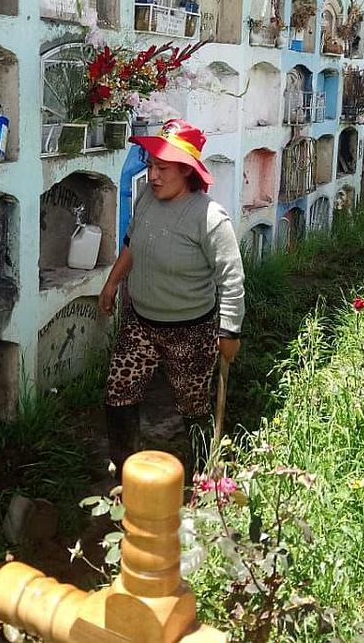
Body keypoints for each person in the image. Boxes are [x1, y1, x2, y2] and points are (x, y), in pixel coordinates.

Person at [98, 119, 245, 482]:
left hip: (190, 331)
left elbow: (232, 278)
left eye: (162, 168)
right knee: (119, 392)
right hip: (141, 323)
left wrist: (229, 331)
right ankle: (124, 469)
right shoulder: (147, 198)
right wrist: (112, 282)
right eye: (150, 166)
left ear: (186, 171)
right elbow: (133, 243)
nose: (153, 176)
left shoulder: (209, 217)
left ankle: (203, 475)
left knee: (193, 405)